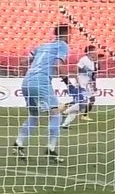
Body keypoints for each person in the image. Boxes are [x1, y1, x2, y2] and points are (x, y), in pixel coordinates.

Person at [12, 25, 71, 163]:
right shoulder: (63, 45)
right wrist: (69, 83)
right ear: (67, 34)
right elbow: (57, 65)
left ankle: (18, 144)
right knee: (56, 114)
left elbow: (23, 62)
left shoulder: (42, 46)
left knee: (34, 115)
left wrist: (20, 71)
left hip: (27, 81)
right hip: (41, 82)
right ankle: (51, 149)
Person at [61, 46, 101, 129]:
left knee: (84, 103)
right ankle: (65, 112)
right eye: (94, 51)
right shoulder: (84, 59)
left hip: (88, 85)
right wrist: (77, 80)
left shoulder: (95, 63)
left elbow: (93, 76)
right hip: (82, 84)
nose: (95, 52)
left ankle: (65, 123)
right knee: (83, 103)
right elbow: (75, 69)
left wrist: (94, 85)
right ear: (89, 52)